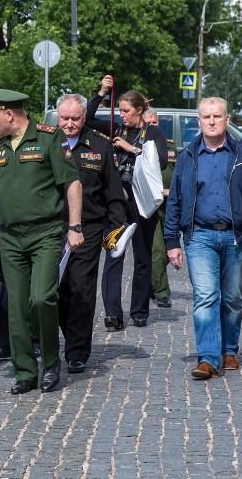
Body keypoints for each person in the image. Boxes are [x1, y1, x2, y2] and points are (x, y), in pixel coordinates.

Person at [0, 88, 83, 394]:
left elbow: (71, 182)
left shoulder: (48, 138)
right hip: (9, 237)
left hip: (45, 233)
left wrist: (74, 226)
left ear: (9, 114)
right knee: (17, 305)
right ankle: (24, 369)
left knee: (41, 299)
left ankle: (50, 362)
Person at [164, 97, 242, 380]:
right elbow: (174, 200)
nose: (211, 121)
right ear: (198, 122)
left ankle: (229, 350)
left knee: (233, 298)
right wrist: (172, 241)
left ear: (227, 120)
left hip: (237, 237)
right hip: (198, 236)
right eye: (206, 117)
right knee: (205, 296)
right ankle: (208, 358)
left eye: (217, 116)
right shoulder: (187, 156)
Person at [55, 94, 135, 374]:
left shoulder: (99, 146)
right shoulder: (47, 142)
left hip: (87, 227)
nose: (69, 123)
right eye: (64, 118)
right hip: (52, 227)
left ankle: (77, 351)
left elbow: (113, 192)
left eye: (75, 118)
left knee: (81, 288)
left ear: (83, 117)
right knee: (57, 289)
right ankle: (65, 336)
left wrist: (117, 229)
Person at [87, 75, 168, 329]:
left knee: (143, 257)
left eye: (126, 110)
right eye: (120, 110)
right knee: (114, 254)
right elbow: (88, 118)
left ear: (139, 110)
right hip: (117, 202)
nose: (122, 115)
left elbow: (161, 162)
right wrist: (102, 92)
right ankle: (113, 313)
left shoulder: (153, 132)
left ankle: (140, 310)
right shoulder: (114, 127)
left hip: (141, 200)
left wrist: (131, 149)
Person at [143, 107, 176, 309]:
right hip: (150, 204)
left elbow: (179, 171)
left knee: (165, 250)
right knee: (156, 250)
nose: (153, 126)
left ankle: (149, 284)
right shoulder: (140, 145)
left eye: (155, 123)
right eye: (149, 124)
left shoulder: (169, 144)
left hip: (170, 206)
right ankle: (162, 292)